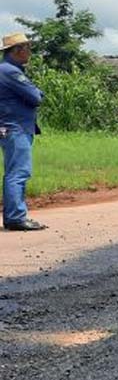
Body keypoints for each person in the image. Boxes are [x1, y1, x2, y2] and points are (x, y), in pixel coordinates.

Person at [0, 32, 45, 231]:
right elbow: (36, 97)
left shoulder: (7, 70)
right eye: (28, 48)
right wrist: (36, 92)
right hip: (15, 127)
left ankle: (14, 216)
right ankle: (16, 217)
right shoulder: (10, 72)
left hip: (10, 127)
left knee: (14, 171)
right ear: (17, 50)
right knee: (18, 172)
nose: (30, 52)